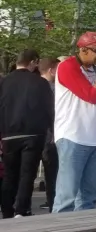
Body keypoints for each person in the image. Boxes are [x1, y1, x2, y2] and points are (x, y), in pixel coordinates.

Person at [52, 33, 96, 212]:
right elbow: (92, 96)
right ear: (83, 50)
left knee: (90, 197)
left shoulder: (95, 69)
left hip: (94, 138)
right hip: (73, 136)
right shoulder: (67, 66)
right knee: (67, 197)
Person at [1, 49, 54, 218]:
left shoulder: (4, 82)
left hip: (9, 134)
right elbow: (48, 109)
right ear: (33, 62)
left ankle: (7, 209)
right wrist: (51, 130)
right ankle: (22, 209)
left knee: (9, 173)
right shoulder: (40, 83)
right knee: (27, 174)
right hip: (34, 133)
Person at [37, 58, 59, 209]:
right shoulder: (52, 88)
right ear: (51, 70)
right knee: (52, 172)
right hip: (50, 135)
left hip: (35, 134)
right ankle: (53, 203)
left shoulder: (32, 85)